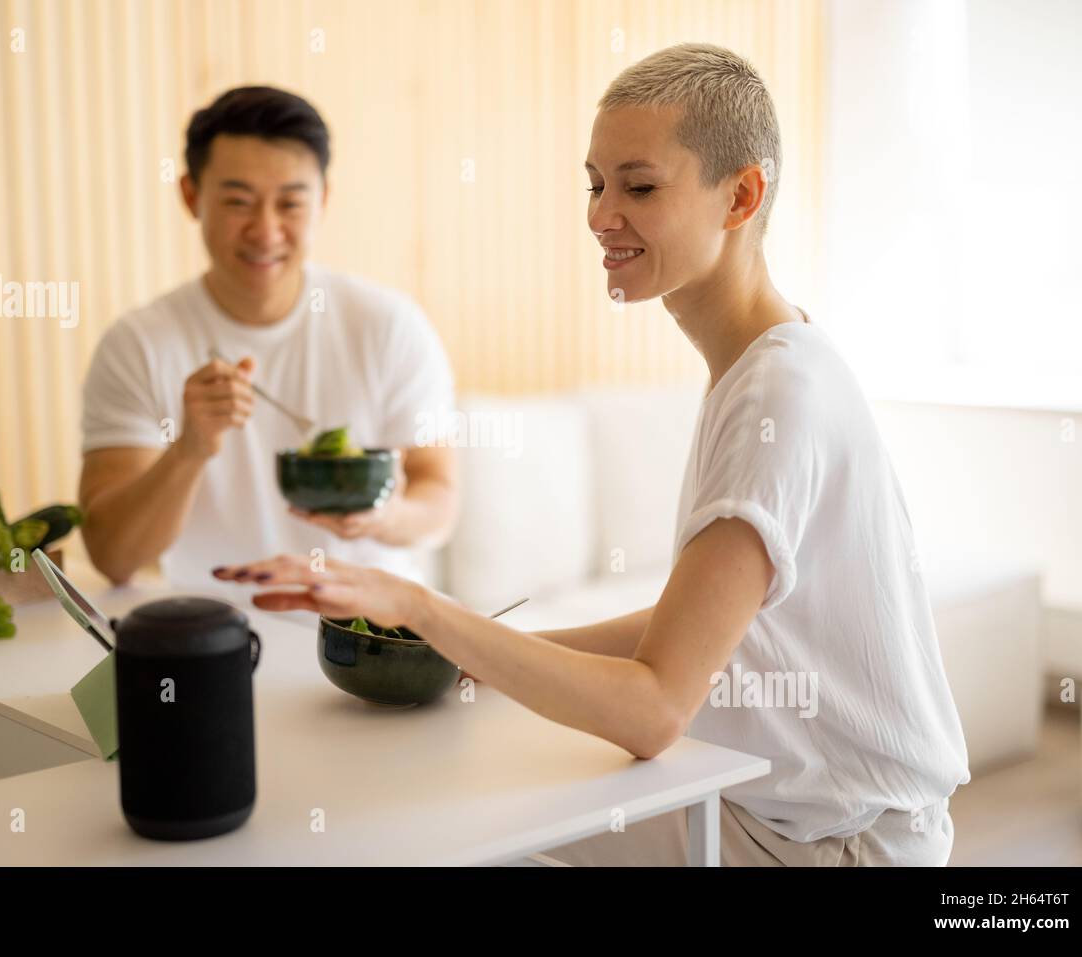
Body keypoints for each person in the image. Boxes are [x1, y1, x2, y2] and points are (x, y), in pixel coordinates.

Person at [216, 44, 970, 866]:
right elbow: (705, 631)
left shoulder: (777, 398)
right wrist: (465, 655)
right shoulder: (766, 367)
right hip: (807, 817)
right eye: (595, 183)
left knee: (450, 831)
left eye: (639, 186)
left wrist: (425, 608)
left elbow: (654, 710)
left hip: (837, 847)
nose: (600, 215)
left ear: (741, 196)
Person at [78, 86, 458, 594]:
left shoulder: (387, 325)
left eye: (290, 203)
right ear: (191, 196)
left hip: (367, 635)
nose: (265, 230)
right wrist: (189, 449)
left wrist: (381, 516)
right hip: (215, 632)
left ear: (322, 201)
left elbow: (440, 499)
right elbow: (113, 558)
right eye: (238, 202)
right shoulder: (138, 345)